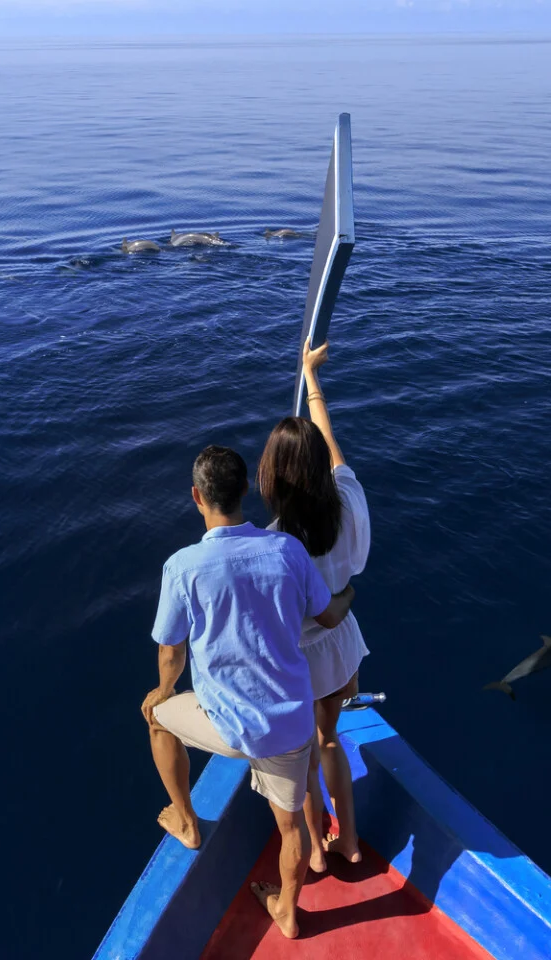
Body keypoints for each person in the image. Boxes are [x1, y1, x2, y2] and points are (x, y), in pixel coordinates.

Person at [142, 444, 355, 940]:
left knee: (156, 719)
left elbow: (171, 652)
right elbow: (328, 616)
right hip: (290, 726)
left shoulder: (182, 567)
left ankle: (187, 822)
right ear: (244, 491)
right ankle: (288, 913)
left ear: (197, 497)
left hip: (230, 727)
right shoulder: (288, 551)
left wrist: (162, 692)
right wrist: (348, 592)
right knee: (291, 829)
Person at [257, 340, 371, 873]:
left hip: (302, 661)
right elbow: (332, 446)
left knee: (302, 760)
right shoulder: (348, 499)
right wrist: (312, 379)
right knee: (331, 741)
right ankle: (350, 839)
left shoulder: (275, 543)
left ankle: (318, 853)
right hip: (341, 648)